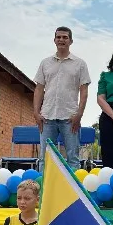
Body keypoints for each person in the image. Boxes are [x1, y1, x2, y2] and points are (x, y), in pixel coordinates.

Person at [33, 27, 91, 171]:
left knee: (73, 157)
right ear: (54, 40)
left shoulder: (80, 64)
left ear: (71, 41)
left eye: (65, 37)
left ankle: (73, 186)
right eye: (58, 37)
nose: (61, 40)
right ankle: (44, 185)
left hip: (70, 118)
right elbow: (39, 89)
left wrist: (79, 114)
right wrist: (36, 113)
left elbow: (84, 91)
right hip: (47, 117)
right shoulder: (45, 63)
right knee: (44, 157)